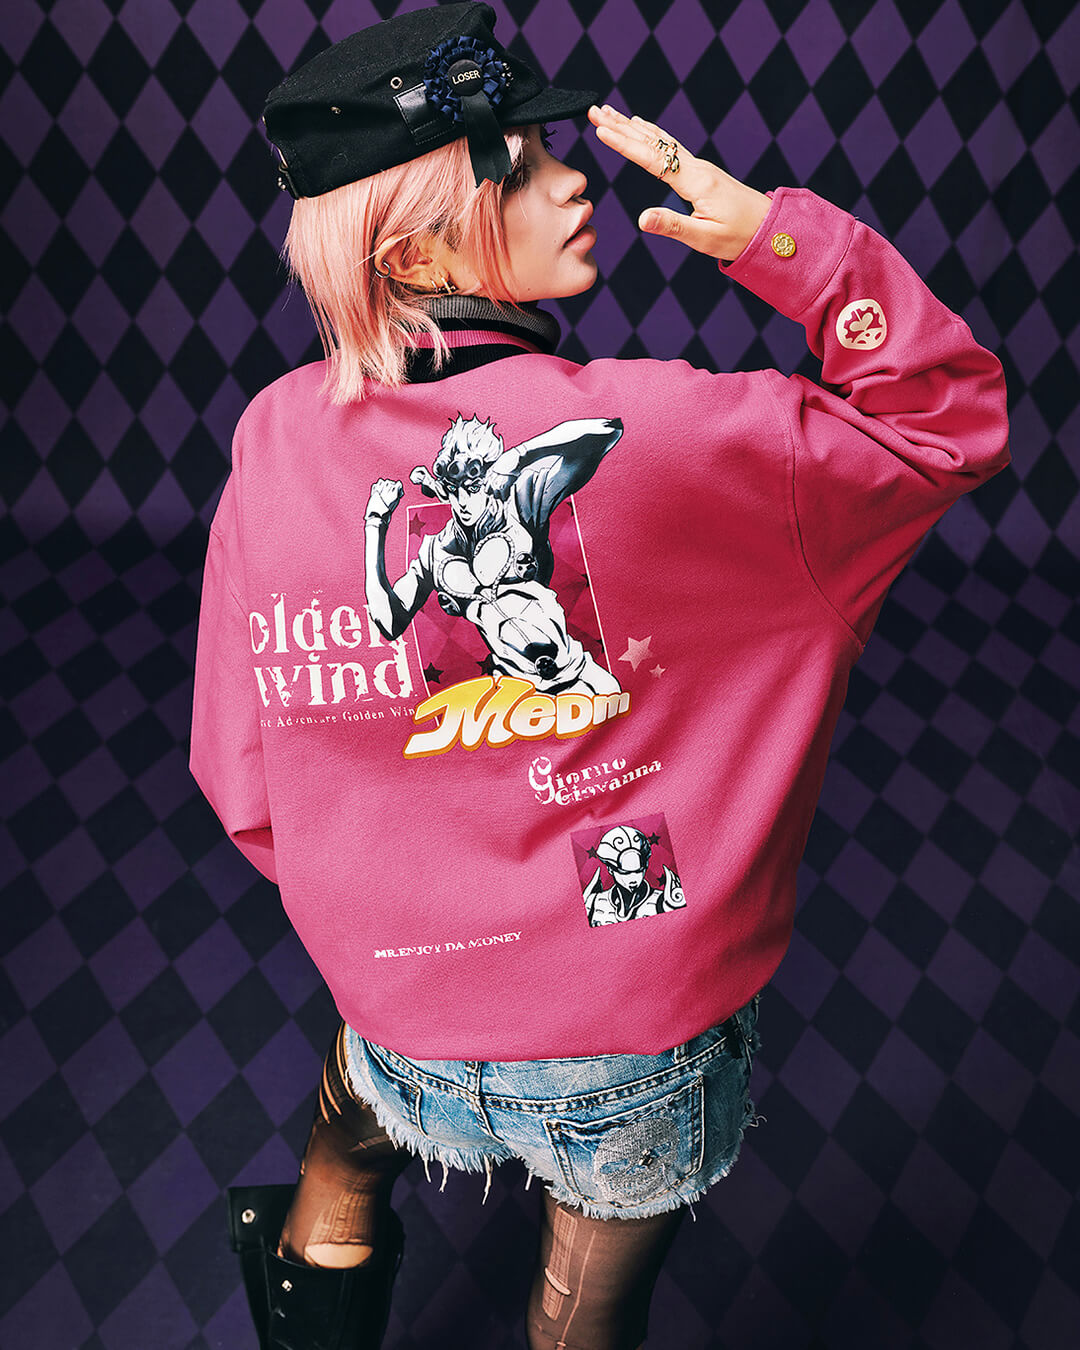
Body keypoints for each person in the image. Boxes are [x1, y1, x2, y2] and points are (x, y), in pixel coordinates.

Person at [190, 4, 1010, 1348]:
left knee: (341, 1161)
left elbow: (239, 775)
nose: (577, 179)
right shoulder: (672, 431)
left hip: (395, 1019)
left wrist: (387, 906)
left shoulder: (274, 438)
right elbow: (946, 418)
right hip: (633, 1053)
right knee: (580, 1322)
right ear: (415, 248)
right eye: (521, 163)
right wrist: (776, 242)